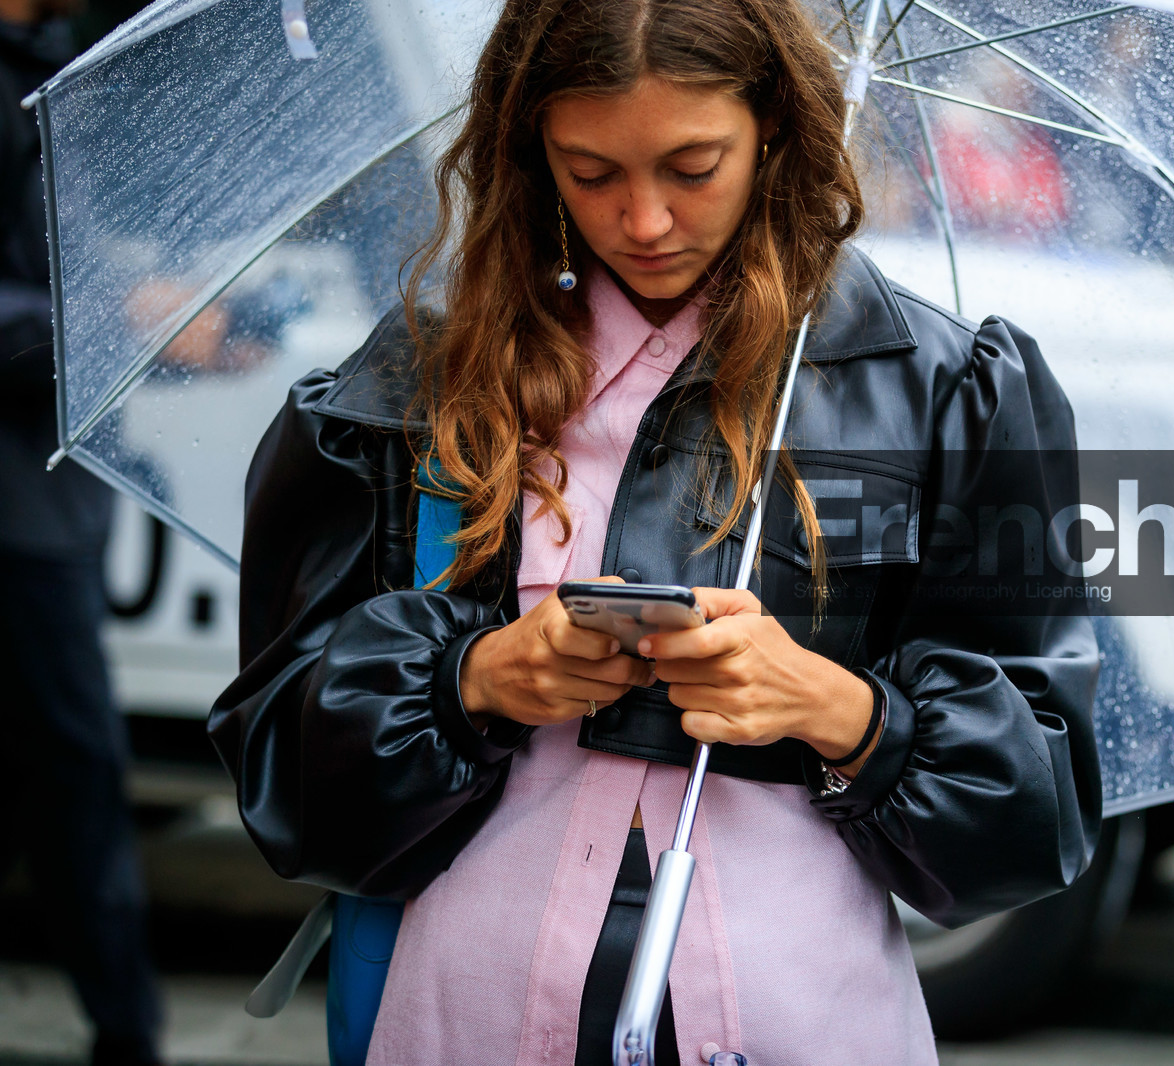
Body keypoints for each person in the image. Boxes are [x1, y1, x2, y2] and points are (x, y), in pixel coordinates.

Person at [208, 0, 1101, 1061]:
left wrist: (840, 709)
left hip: (790, 1013)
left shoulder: (949, 393)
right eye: (592, 173)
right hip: (468, 1008)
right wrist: (474, 680)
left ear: (775, 128)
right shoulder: (418, 390)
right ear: (530, 149)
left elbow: (1039, 814)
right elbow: (277, 768)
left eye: (692, 167)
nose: (642, 221)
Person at [0, 1, 163, 1063]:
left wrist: (168, 317)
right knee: (76, 771)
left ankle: (125, 1029)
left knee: (62, 778)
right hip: (16, 505)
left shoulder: (65, 66)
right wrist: (116, 322)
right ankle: (128, 1032)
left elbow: (67, 261)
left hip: (55, 495)